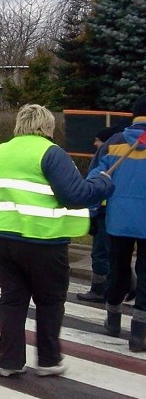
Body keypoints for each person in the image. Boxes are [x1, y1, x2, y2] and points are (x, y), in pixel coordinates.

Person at [0, 104, 114, 377]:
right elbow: (74, 195)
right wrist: (102, 184)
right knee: (50, 300)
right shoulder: (51, 152)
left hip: (1, 238)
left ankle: (10, 362)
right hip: (43, 239)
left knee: (12, 299)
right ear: (45, 127)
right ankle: (49, 359)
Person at [89, 95, 146, 351]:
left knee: (119, 268)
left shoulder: (113, 142)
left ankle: (113, 319)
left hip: (117, 220)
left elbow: (96, 179)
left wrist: (90, 212)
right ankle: (139, 335)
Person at [76, 126, 118, 302]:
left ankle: (99, 289)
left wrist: (90, 209)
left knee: (101, 251)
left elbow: (94, 184)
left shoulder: (106, 155)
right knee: (115, 251)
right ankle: (126, 285)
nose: (95, 143)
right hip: (115, 210)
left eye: (97, 140)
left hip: (103, 210)